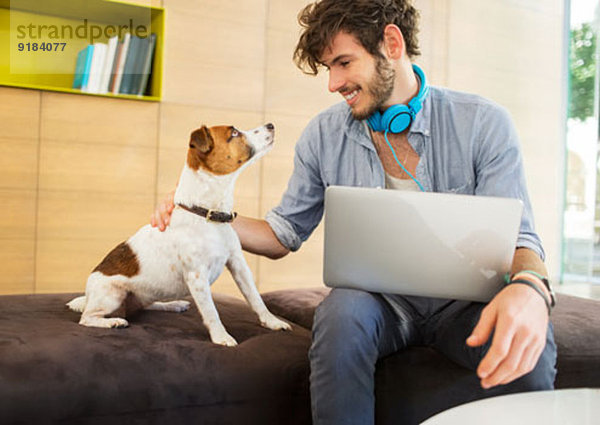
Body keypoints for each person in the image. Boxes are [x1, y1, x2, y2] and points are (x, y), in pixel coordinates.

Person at [152, 0, 557, 423]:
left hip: (467, 305)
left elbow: (522, 241)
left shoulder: (484, 123)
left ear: (392, 44)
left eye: (344, 63)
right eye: (329, 68)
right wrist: (199, 212)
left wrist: (529, 287)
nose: (333, 83)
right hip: (378, 304)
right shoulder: (323, 135)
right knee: (341, 312)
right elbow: (281, 234)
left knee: (533, 342)